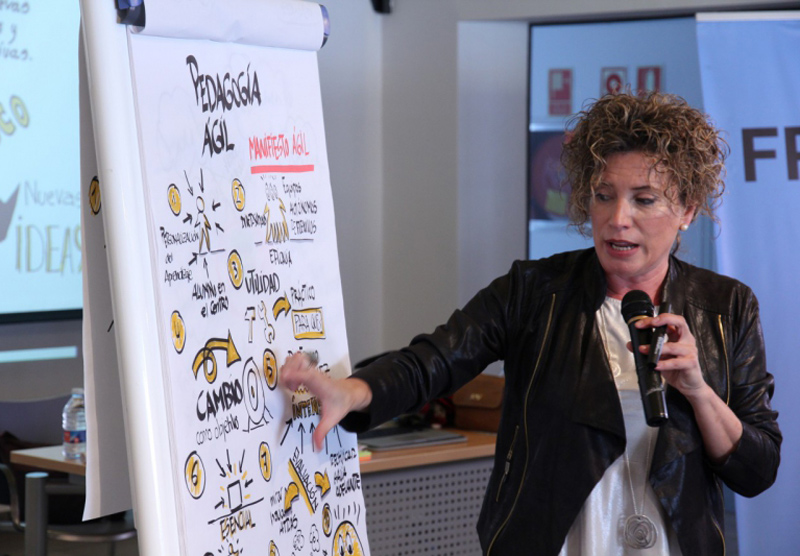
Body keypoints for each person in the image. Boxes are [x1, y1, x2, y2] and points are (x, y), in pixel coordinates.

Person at [280, 92, 781, 555]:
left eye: (644, 199)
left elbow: (757, 469)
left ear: (687, 210)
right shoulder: (535, 291)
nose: (617, 218)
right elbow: (433, 361)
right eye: (604, 195)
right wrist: (352, 392)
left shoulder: (726, 307)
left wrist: (698, 391)